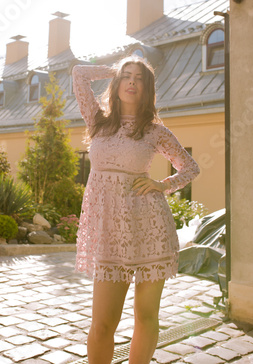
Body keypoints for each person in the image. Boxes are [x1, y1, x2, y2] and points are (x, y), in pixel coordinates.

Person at [72, 56, 200, 364]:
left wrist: (161, 184)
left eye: (139, 78)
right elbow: (79, 74)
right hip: (108, 233)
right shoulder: (98, 121)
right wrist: (116, 68)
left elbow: (190, 167)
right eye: (126, 77)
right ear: (116, 85)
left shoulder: (154, 131)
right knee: (102, 323)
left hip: (149, 228)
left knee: (145, 316)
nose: (132, 82)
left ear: (147, 88)